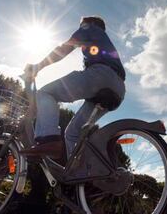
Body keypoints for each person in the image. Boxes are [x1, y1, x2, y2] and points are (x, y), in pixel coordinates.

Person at [20, 16, 126, 159]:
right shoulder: (103, 40)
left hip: (101, 75)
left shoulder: (90, 28)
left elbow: (64, 48)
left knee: (45, 93)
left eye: (81, 25)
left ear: (90, 23)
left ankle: (48, 140)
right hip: (119, 88)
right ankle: (81, 174)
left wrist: (37, 67)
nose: (80, 27)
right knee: (72, 134)